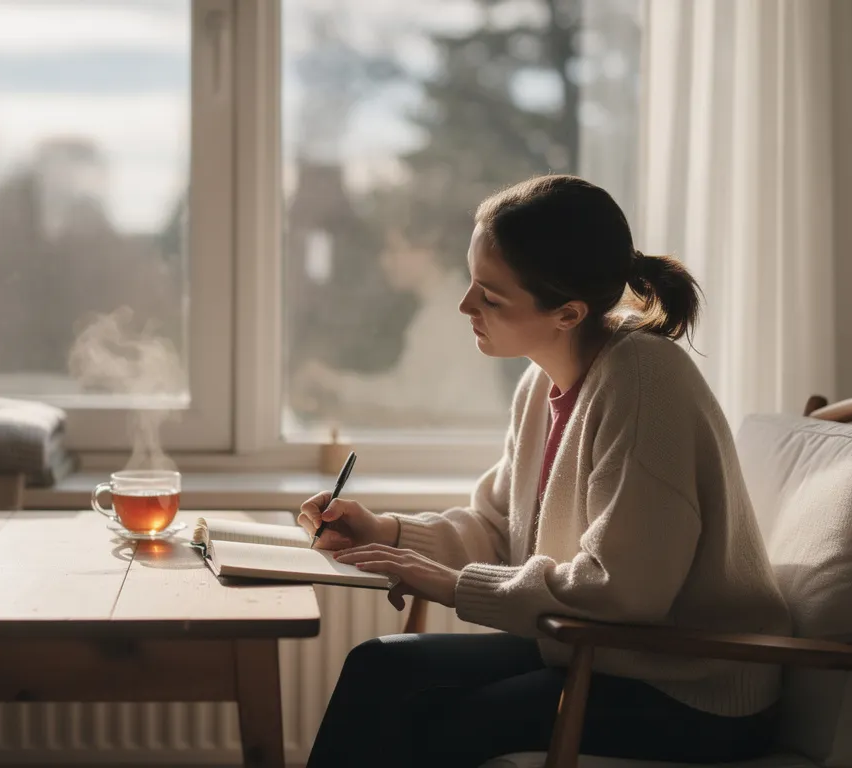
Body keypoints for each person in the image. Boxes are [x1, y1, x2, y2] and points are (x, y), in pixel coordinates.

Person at [296, 174, 790, 767]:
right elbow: (501, 528)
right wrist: (387, 533)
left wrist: (450, 585)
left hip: (688, 685)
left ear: (567, 313)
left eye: (492, 297)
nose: (465, 306)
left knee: (437, 725)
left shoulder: (643, 381)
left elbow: (623, 591)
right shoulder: (541, 381)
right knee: (379, 664)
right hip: (595, 653)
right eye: (471, 282)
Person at [295, 226, 512, 429]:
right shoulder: (445, 305)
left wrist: (334, 384)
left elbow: (408, 401)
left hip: (463, 448)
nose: (384, 261)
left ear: (427, 250)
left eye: (394, 249)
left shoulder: (447, 314)